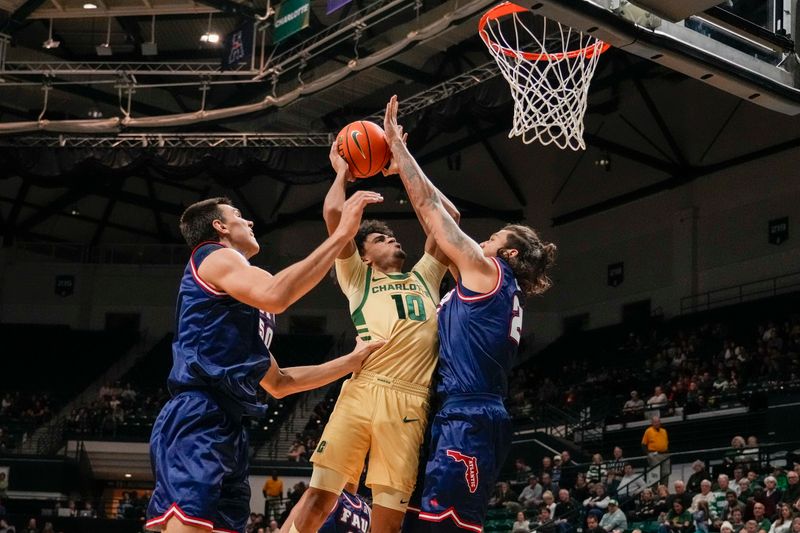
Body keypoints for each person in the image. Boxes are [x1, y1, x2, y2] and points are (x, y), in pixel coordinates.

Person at [145, 194, 386, 533]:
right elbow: (276, 294)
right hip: (198, 414)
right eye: (239, 215)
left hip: (229, 424)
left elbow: (281, 382)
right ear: (220, 226)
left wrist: (352, 360)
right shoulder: (214, 256)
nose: (250, 221)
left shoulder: (239, 303)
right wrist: (341, 236)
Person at [382, 95, 557, 532]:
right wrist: (405, 167)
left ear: (508, 251)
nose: (484, 240)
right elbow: (444, 216)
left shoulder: (487, 270)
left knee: (446, 527)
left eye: (494, 236)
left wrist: (400, 152)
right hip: (460, 412)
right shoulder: (488, 282)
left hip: (470, 416)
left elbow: (430, 212)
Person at [282, 141, 457, 533]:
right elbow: (332, 214)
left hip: (409, 399)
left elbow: (450, 217)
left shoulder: (425, 277)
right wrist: (343, 175)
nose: (392, 240)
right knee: (317, 500)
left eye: (392, 237)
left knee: (388, 522)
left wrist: (406, 166)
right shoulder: (358, 279)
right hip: (362, 391)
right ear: (363, 256)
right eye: (379, 239)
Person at [642, 416, 670, 485]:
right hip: (654, 455)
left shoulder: (664, 431)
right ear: (652, 423)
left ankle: (664, 489)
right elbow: (643, 444)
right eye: (655, 422)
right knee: (655, 474)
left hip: (665, 454)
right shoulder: (648, 431)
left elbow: (666, 442)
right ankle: (655, 491)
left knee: (666, 473)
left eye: (658, 421)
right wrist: (648, 454)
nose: (657, 423)